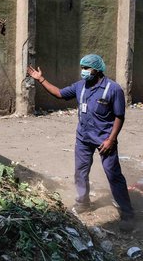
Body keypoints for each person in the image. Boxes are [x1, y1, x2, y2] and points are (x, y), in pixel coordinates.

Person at [27, 54, 135, 232]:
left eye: (87, 68)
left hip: (105, 140)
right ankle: (83, 203)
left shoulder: (113, 89)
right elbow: (59, 94)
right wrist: (41, 79)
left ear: (97, 70)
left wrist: (111, 139)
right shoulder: (80, 86)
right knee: (80, 172)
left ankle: (128, 214)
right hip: (83, 138)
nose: (83, 71)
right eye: (82, 68)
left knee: (113, 175)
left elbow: (119, 116)